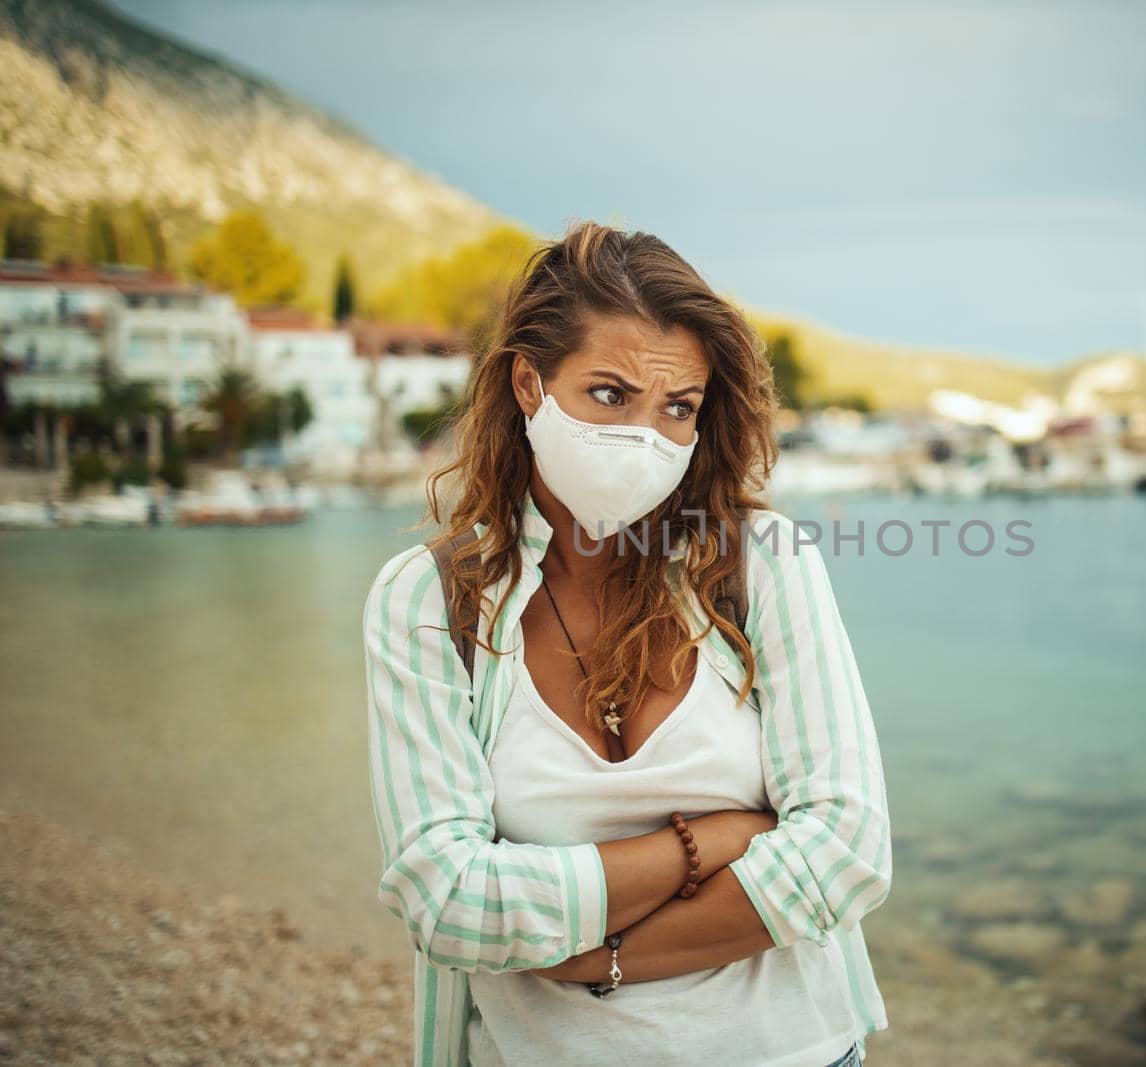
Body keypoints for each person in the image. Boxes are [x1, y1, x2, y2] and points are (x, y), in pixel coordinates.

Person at [363, 220, 893, 1066]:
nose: (645, 436)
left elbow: (847, 853)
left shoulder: (762, 566)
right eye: (610, 394)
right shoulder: (431, 600)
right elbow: (448, 901)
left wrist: (602, 958)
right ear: (530, 384)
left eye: (677, 407)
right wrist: (706, 841)